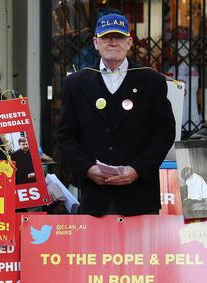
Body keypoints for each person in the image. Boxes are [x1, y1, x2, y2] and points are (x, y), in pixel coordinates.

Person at [57, 14, 175, 216]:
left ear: (129, 42)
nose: (113, 42)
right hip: (94, 197)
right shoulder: (75, 83)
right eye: (106, 37)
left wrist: (137, 169)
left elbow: (164, 132)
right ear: (95, 42)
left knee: (142, 249)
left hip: (140, 196)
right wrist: (87, 168)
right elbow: (66, 135)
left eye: (119, 37)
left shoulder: (152, 81)